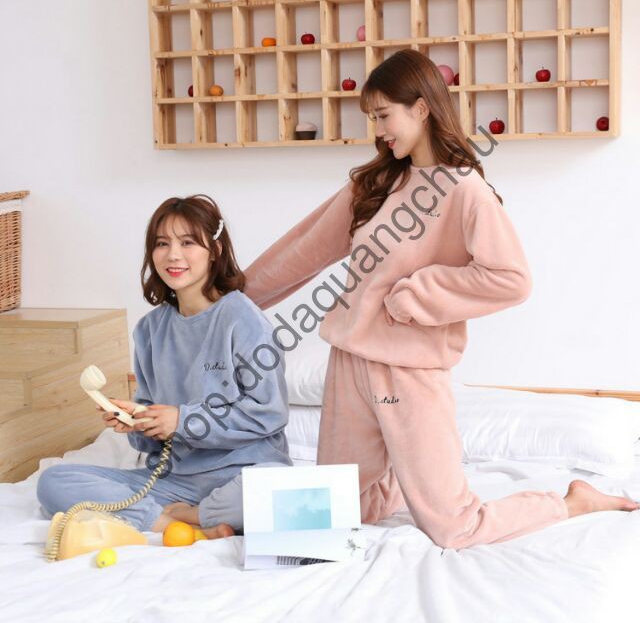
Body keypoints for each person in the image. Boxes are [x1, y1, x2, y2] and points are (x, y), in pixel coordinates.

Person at [236, 49, 639, 550]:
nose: (378, 130)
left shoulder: (465, 190)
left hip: (410, 370)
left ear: (422, 108)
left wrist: (418, 294)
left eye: (384, 115)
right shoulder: (373, 185)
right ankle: (400, 485)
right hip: (349, 363)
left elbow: (511, 278)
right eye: (373, 118)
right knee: (342, 509)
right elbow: (302, 250)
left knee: (454, 527)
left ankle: (571, 501)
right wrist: (229, 295)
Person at [37, 194, 293, 539]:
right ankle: (174, 524)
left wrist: (183, 420)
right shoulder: (149, 330)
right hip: (175, 483)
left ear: (214, 250)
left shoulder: (242, 318)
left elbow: (269, 414)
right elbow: (154, 441)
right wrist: (139, 422)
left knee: (276, 489)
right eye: (162, 243)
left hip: (243, 474)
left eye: (187, 242)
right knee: (54, 482)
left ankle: (191, 516)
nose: (173, 255)